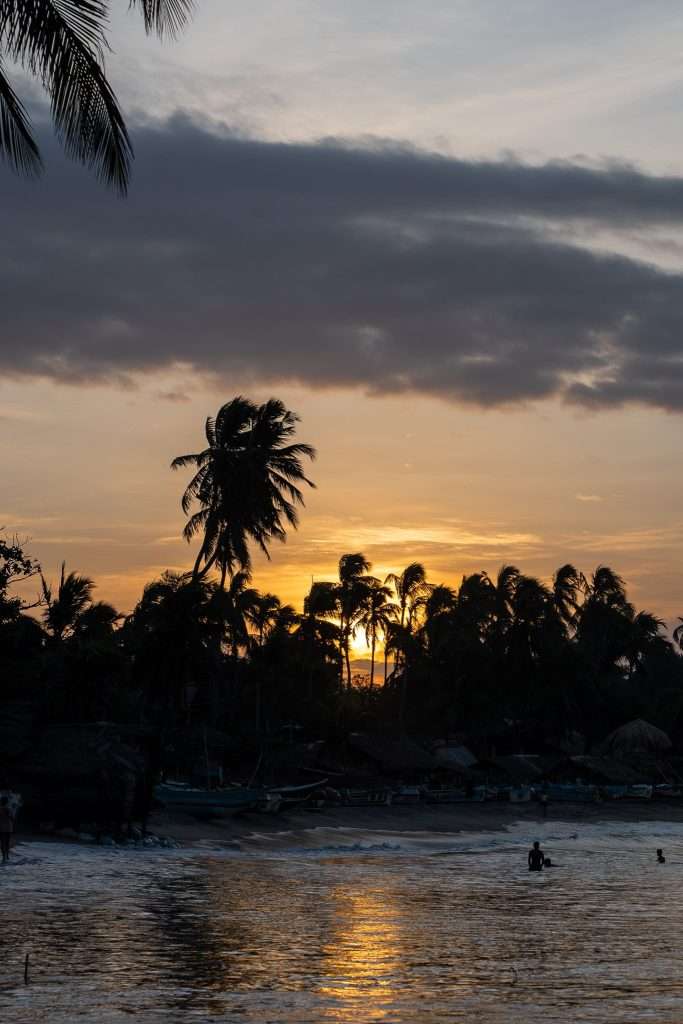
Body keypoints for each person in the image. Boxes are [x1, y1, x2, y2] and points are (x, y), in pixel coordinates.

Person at [0, 796, 13, 864]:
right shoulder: (9, 809)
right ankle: (7, 855)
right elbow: (12, 818)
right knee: (7, 842)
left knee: (2, 843)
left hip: (1, 828)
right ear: (7, 802)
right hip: (8, 828)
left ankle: (4, 856)